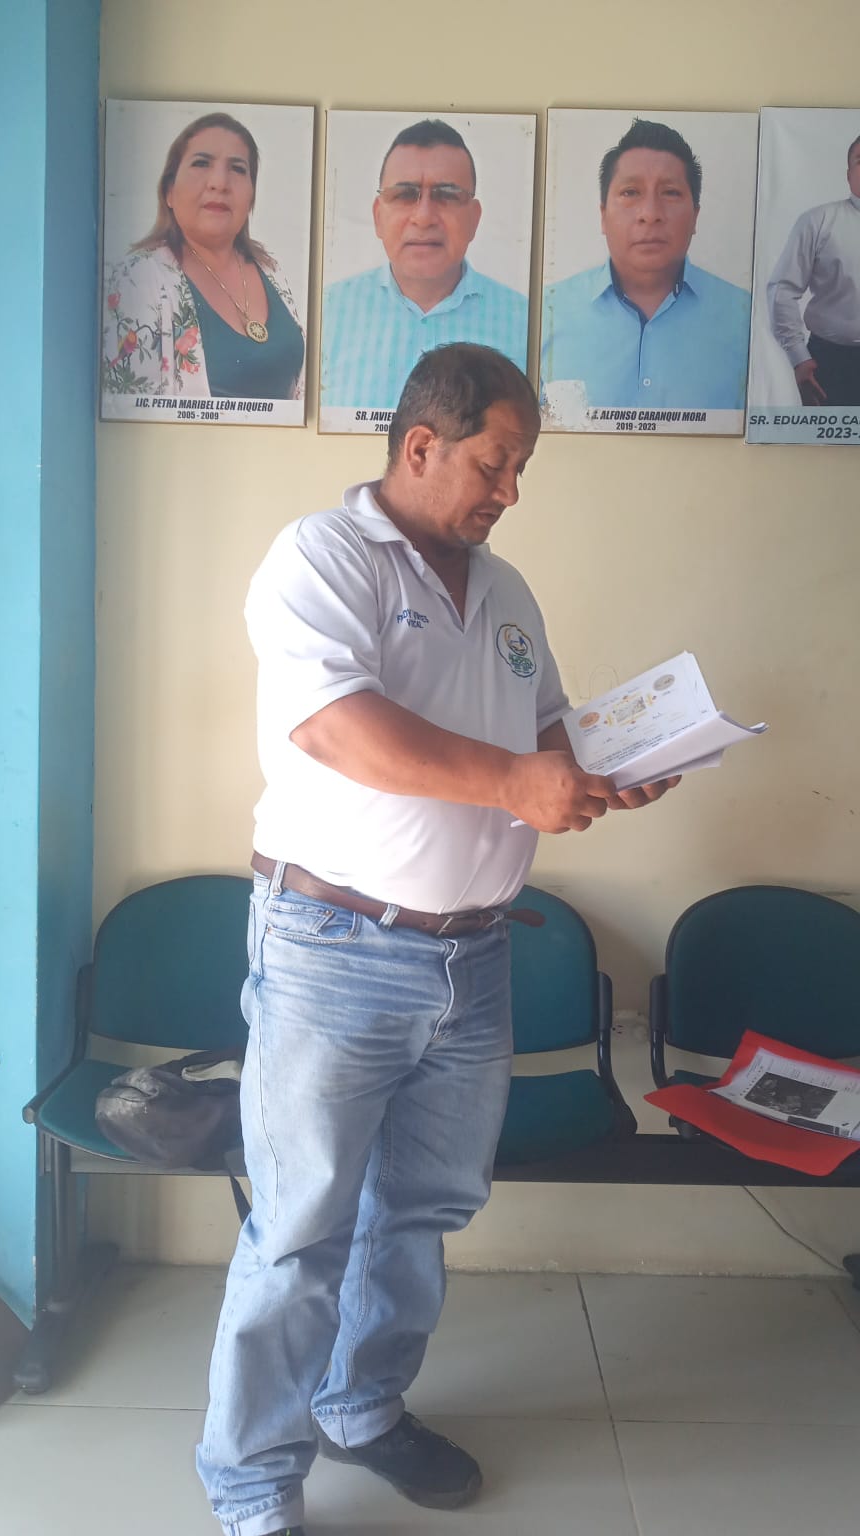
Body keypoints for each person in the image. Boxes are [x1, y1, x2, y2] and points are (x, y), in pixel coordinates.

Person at [196, 342, 679, 1536]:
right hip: (333, 947)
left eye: (519, 467)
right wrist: (515, 784)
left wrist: (614, 765)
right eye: (494, 463)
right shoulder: (322, 556)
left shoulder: (505, 592)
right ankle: (252, 1486)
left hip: (474, 957)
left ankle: (361, 1407)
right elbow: (333, 725)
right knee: (300, 1230)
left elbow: (548, 729)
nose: (510, 489)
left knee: (420, 1211)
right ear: (422, 445)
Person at [541, 118, 751, 417]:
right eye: (630, 192)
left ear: (695, 216)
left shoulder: (745, 319)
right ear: (603, 215)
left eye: (670, 193)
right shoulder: (547, 313)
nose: (650, 214)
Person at [321, 119, 528, 411]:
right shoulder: (325, 315)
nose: (424, 217)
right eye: (405, 195)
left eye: (446, 195)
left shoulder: (527, 322)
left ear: (474, 218)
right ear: (378, 216)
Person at [101, 111, 304, 403]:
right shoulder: (136, 279)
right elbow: (127, 413)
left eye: (237, 169)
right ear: (169, 192)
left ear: (251, 196)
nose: (219, 183)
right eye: (201, 163)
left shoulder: (270, 269)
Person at [767, 133, 860, 407]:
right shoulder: (818, 221)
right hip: (831, 363)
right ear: (848, 174)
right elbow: (782, 290)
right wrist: (799, 357)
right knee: (826, 436)